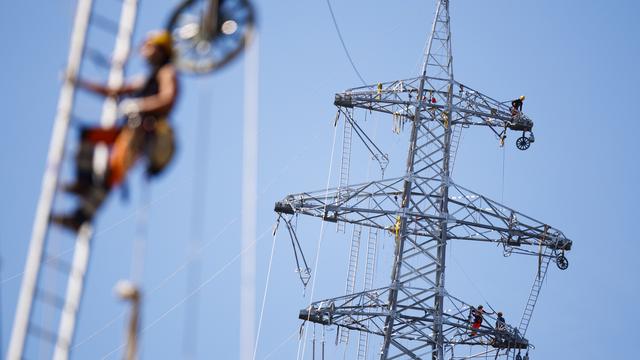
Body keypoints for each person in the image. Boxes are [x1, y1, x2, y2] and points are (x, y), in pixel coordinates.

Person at [51, 30, 179, 231]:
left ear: (161, 50)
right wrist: (80, 83)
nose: (144, 50)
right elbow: (114, 92)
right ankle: (84, 182)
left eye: (149, 46)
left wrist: (139, 105)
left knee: (111, 173)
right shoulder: (146, 78)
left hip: (144, 135)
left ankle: (80, 218)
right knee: (88, 136)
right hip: (128, 130)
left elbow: (167, 99)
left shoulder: (167, 72)